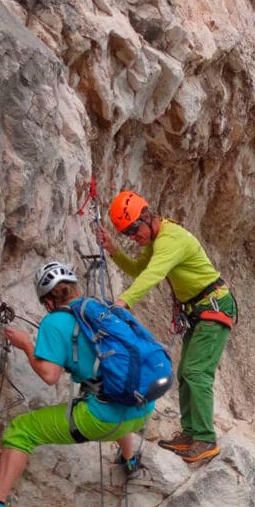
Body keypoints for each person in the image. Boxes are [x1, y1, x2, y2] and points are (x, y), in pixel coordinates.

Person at [0, 261, 154, 507]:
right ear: (73, 287)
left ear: (48, 300)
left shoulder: (55, 321)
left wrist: (26, 345)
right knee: (114, 391)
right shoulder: (103, 310)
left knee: (21, 430)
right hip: (141, 409)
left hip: (104, 418)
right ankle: (129, 460)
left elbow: (50, 376)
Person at [93, 190, 235, 464]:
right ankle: (191, 433)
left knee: (196, 373)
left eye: (134, 229)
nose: (134, 237)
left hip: (214, 307)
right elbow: (137, 269)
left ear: (147, 216)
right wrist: (113, 250)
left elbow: (153, 275)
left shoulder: (171, 240)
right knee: (185, 372)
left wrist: (124, 302)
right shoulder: (156, 242)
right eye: (128, 234)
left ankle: (205, 439)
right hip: (200, 311)